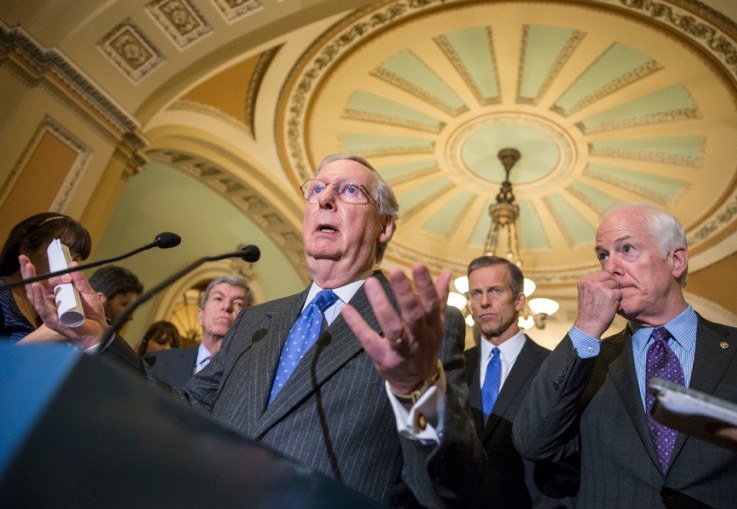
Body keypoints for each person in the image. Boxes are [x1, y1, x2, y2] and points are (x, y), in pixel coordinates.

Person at [21, 153, 485, 506]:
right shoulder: (256, 321)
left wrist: (415, 391)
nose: (323, 197)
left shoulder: (419, 326)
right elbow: (186, 408)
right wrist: (98, 339)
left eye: (347, 191)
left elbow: (450, 489)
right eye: (317, 188)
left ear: (385, 227)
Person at [512, 203, 737, 507]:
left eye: (628, 249)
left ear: (676, 261)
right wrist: (586, 327)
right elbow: (533, 442)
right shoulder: (588, 361)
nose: (610, 268)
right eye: (603, 255)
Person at [463, 255, 577, 507]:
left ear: (519, 300)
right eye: (475, 293)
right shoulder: (453, 366)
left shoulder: (553, 368)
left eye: (495, 290)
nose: (483, 302)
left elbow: (567, 462)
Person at [144, 275, 252, 387]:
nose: (226, 306)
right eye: (218, 298)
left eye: (238, 303)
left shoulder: (248, 379)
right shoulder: (158, 362)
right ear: (200, 315)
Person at [0, 212, 91, 343]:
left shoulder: (55, 307)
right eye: (63, 253)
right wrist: (47, 335)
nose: (72, 266)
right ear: (27, 247)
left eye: (76, 260)